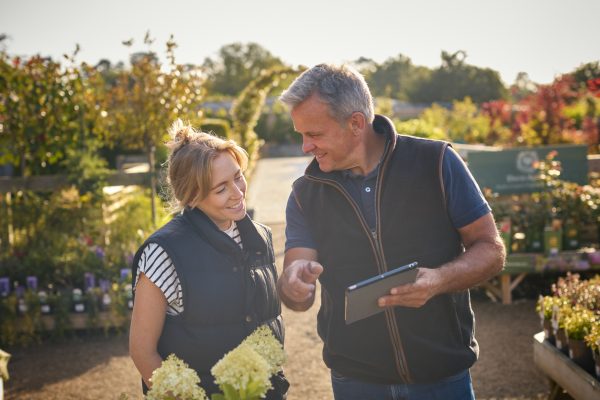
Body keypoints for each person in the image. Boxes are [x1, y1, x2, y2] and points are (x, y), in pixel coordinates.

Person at [277, 64, 506, 400]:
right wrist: (293, 285)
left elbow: (491, 249)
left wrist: (439, 280)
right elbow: (296, 285)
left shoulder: (437, 162)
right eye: (301, 135)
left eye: (314, 134)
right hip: (355, 381)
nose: (305, 147)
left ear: (355, 123)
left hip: (442, 377)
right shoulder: (304, 193)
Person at [129, 120, 288, 398]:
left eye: (238, 176)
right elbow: (143, 352)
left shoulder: (260, 236)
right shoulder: (163, 252)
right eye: (221, 188)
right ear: (191, 196)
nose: (238, 193)